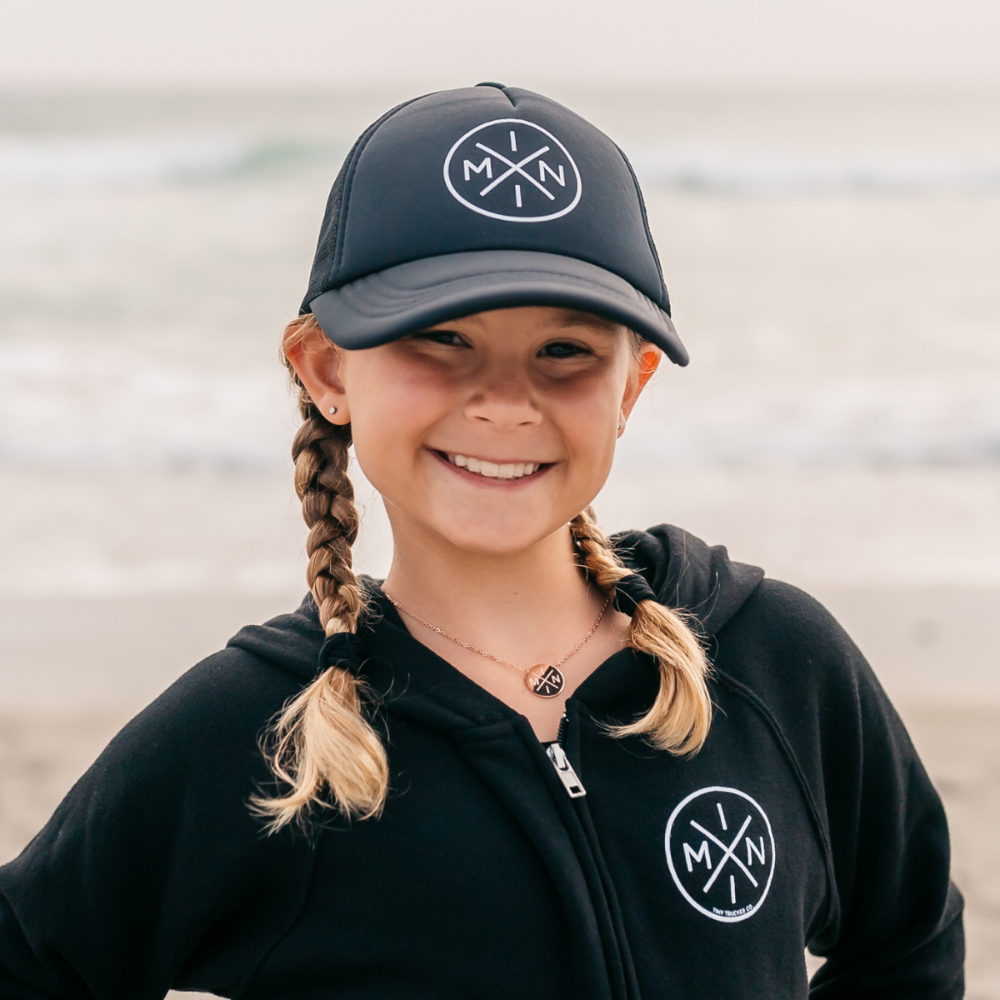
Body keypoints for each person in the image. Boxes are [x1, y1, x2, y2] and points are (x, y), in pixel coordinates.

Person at [0, 84, 963, 999]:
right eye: (440, 340)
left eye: (565, 351)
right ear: (326, 368)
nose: (504, 401)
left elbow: (908, 939)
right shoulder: (255, 736)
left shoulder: (773, 663)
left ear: (631, 387)